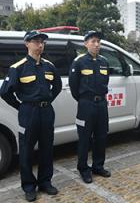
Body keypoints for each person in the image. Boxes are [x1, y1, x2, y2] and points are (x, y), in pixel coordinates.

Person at [0, 31, 62, 202]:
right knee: (26, 150)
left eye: (42, 42)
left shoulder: (50, 66)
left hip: (46, 112)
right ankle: (28, 186)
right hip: (28, 113)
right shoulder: (18, 67)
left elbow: (56, 87)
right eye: (35, 41)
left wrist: (47, 101)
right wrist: (21, 106)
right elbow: (4, 92)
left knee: (47, 149)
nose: (40, 45)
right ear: (26, 44)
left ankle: (45, 182)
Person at [69, 31, 111, 184]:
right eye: (93, 41)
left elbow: (106, 81)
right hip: (86, 104)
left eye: (98, 41)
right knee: (85, 138)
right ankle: (83, 169)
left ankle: (98, 166)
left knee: (101, 136)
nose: (97, 44)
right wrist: (84, 101)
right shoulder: (79, 62)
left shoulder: (104, 61)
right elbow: (74, 87)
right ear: (85, 44)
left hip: (101, 104)